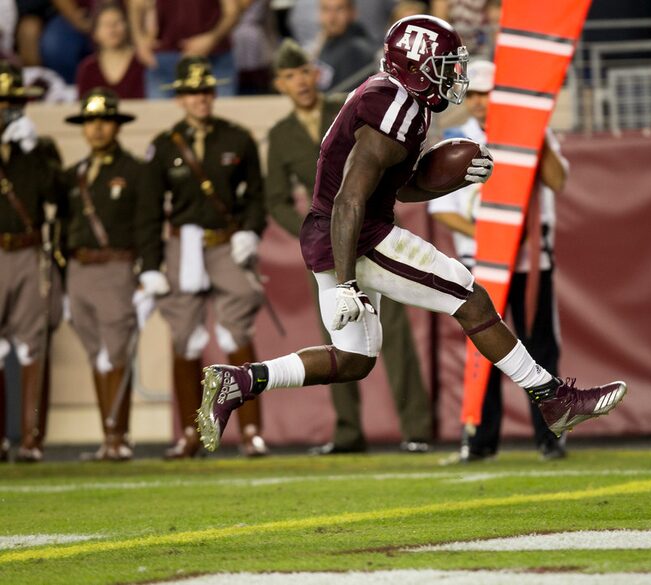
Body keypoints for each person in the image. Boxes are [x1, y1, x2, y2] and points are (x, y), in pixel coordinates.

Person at [195, 15, 627, 454]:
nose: (452, 76)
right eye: (444, 66)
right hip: (359, 234)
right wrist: (346, 283)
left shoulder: (396, 99)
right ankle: (553, 398)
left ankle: (242, 379)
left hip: (338, 233)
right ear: (416, 68)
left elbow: (394, 184)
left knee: (354, 359)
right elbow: (350, 198)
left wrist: (450, 181)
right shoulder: (394, 106)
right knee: (469, 296)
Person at [266, 39, 433, 454]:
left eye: (305, 71)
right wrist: (310, 232)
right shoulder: (280, 134)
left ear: (315, 73)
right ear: (279, 85)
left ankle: (417, 429)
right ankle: (347, 432)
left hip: (370, 231)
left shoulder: (347, 105)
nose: (300, 81)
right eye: (290, 76)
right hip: (327, 243)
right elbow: (274, 199)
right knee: (338, 338)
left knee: (392, 333)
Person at [428, 60, 568, 462]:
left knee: (540, 348)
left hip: (530, 262)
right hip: (481, 261)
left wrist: (535, 137)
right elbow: (443, 209)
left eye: (486, 94)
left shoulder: (532, 132)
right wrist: (494, 237)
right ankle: (479, 438)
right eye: (472, 94)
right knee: (483, 349)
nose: (478, 103)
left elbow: (558, 181)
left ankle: (550, 436)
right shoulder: (455, 138)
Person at [142, 56, 268, 458]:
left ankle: (251, 432)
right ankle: (189, 433)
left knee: (238, 331)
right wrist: (149, 265)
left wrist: (250, 230)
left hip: (225, 242)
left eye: (206, 90)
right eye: (192, 92)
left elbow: (256, 196)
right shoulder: (163, 146)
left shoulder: (237, 138)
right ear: (179, 98)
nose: (201, 99)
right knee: (184, 336)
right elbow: (148, 211)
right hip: (183, 245)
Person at [62, 88, 154, 460]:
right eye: (89, 122)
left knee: (116, 353)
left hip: (116, 265)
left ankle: (119, 437)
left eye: (103, 121)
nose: (96, 129)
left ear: (116, 125)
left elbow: (146, 224)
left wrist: (147, 272)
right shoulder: (73, 175)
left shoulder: (135, 171)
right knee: (96, 355)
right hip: (79, 269)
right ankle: (108, 436)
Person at [0, 60, 64, 462]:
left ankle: (31, 440)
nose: (8, 108)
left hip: (27, 249)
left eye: (14, 101)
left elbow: (56, 196)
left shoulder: (39, 148)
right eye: (3, 101)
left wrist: (33, 152)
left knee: (32, 346)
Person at [128, 0, 240, 99]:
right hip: (163, 59)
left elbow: (232, 11)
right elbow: (136, 4)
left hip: (215, 58)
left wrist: (212, 38)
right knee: (161, 118)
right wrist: (139, 42)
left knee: (221, 116)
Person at [76, 2, 145, 99]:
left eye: (117, 22)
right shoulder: (87, 68)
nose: (112, 29)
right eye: (106, 24)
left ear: (127, 26)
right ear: (95, 32)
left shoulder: (142, 62)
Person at [314, 0, 376, 91]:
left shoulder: (356, 50)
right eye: (326, 9)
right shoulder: (330, 39)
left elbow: (346, 100)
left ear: (353, 12)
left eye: (339, 9)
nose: (331, 18)